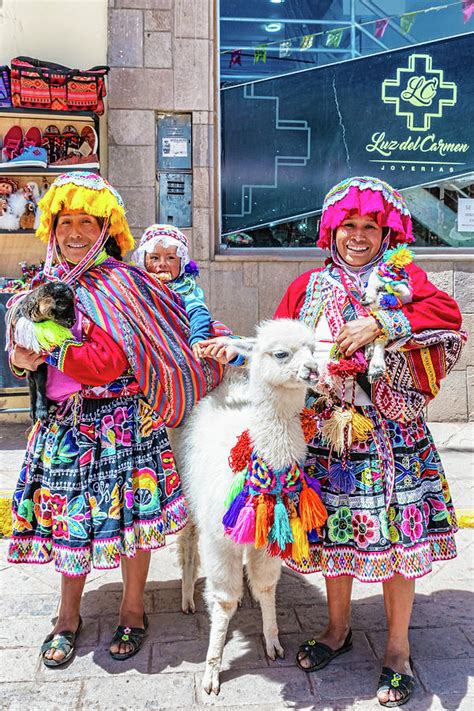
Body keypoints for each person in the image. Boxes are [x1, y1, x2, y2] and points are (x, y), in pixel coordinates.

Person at [200, 176, 465, 707]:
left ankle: (396, 650)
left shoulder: (404, 277)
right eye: (349, 226)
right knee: (334, 540)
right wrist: (236, 349)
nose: (359, 236)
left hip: (388, 435)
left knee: (395, 547)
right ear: (332, 230)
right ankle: (337, 630)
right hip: (322, 434)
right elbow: (277, 341)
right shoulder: (309, 287)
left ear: (386, 231)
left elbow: (446, 318)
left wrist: (381, 323)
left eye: (370, 226)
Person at [7, 171, 225, 667]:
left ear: (107, 229)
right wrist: (27, 356)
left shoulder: (123, 283)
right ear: (52, 227)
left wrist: (48, 345)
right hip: (64, 428)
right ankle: (67, 618)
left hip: (123, 424)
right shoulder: (42, 283)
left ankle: (132, 611)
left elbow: (107, 362)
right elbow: (19, 357)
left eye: (87, 221)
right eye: (66, 222)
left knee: (132, 525)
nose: (75, 231)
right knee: (67, 526)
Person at [131, 224, 211, 358]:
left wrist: (197, 337)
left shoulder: (185, 288)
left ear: (181, 262)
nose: (162, 263)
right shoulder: (135, 285)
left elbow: (198, 312)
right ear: (144, 262)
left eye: (171, 258)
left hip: (178, 348)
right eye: (155, 258)